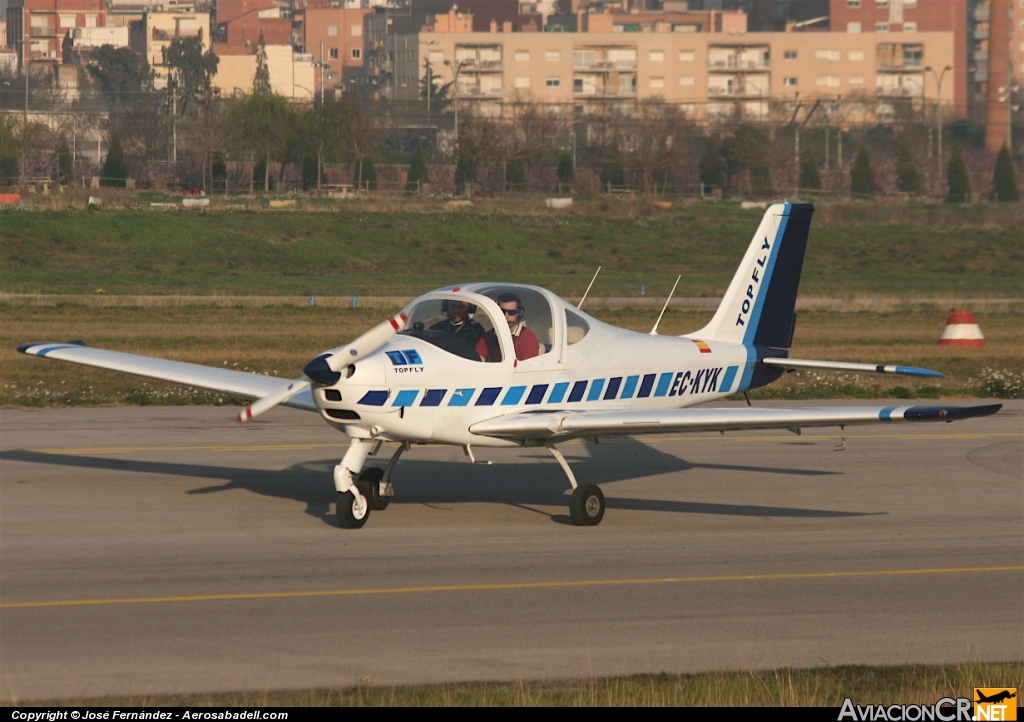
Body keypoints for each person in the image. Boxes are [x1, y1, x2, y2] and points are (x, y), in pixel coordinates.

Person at [477, 293, 540, 362]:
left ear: (519, 313)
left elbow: (528, 367)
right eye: (502, 311)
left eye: (512, 312)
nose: (506, 316)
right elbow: (478, 360)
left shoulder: (528, 338)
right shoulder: (488, 336)